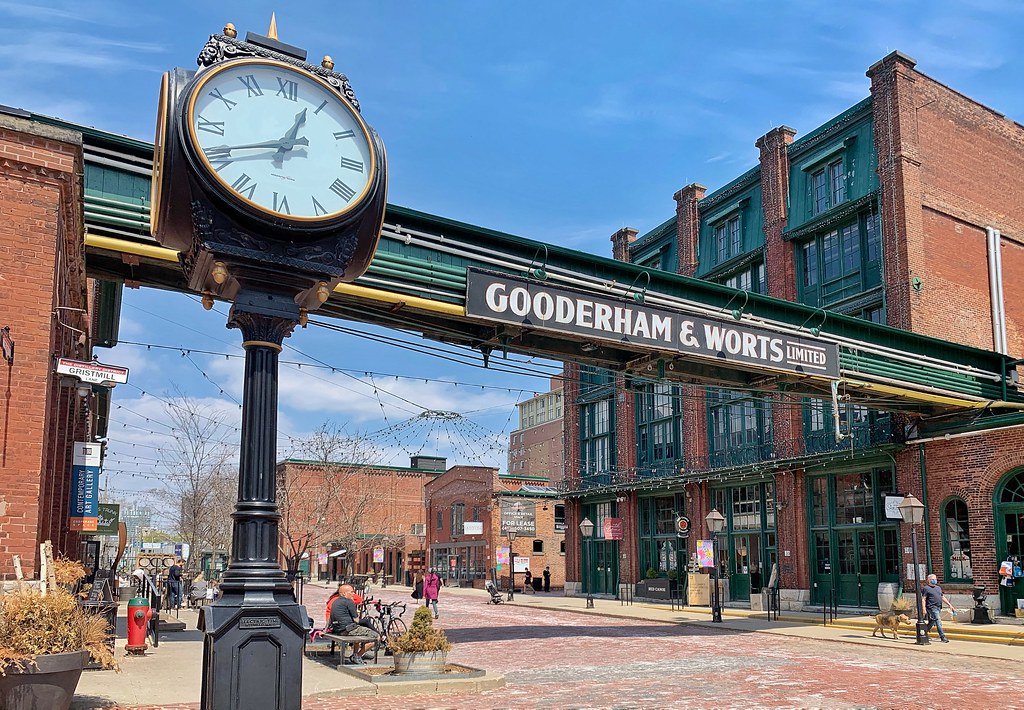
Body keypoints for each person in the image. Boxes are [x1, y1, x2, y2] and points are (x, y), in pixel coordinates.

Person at [328, 583, 380, 664]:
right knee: (376, 637)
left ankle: (355, 654)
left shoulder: (335, 601)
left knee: (358, 633)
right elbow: (356, 620)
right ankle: (357, 656)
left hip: (338, 630)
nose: (353, 594)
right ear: (344, 593)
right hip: (348, 630)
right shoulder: (349, 602)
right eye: (351, 592)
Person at [921, 573, 957, 643]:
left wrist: (949, 605)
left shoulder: (938, 588)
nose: (934, 580)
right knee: (938, 621)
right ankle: (942, 637)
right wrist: (924, 609)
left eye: (935, 579)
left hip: (938, 607)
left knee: (932, 621)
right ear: (928, 580)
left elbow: (942, 597)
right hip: (931, 607)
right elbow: (923, 599)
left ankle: (924, 631)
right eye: (932, 579)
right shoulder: (926, 588)